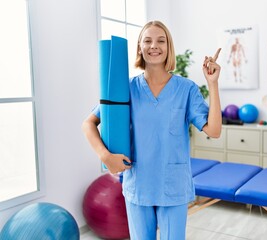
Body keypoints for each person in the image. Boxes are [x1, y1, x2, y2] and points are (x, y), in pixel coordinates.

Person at [82, 20, 222, 240]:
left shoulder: (186, 89)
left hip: (173, 185)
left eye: (160, 40)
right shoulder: (125, 88)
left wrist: (212, 83)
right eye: (147, 41)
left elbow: (214, 130)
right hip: (139, 184)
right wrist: (105, 156)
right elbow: (88, 123)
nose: (153, 45)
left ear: (169, 47)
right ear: (139, 47)